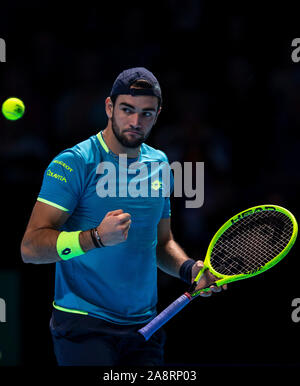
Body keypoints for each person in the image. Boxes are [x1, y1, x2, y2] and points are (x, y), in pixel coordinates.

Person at [21, 67, 226, 366]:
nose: (135, 121)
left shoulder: (159, 163)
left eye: (146, 113)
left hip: (146, 328)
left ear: (157, 114)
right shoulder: (74, 162)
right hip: (85, 325)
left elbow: (160, 242)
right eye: (127, 109)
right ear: (109, 107)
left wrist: (190, 270)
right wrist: (95, 238)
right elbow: (30, 248)